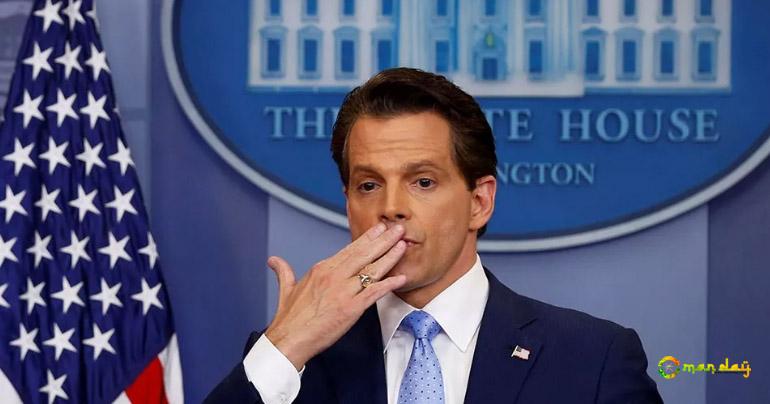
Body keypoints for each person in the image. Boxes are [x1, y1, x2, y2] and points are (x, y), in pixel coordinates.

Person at [205, 68, 663, 404]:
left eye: (423, 181)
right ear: (348, 204)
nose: (390, 206)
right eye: (369, 185)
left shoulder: (592, 359)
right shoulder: (293, 359)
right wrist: (285, 346)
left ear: (479, 202)